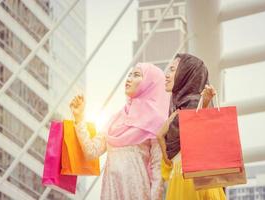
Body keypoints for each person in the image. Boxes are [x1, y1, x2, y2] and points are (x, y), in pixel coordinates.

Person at [70, 63, 170, 200]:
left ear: (149, 83)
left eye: (136, 75)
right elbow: (91, 151)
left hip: (139, 193)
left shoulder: (156, 121)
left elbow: (157, 173)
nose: (129, 78)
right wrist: (79, 118)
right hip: (111, 192)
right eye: (129, 75)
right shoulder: (114, 120)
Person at [157, 53, 226, 200]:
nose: (167, 75)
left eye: (173, 70)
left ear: (186, 73)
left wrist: (204, 105)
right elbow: (169, 163)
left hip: (193, 185)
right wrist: (160, 136)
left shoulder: (194, 105)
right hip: (183, 181)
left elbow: (202, 137)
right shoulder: (178, 109)